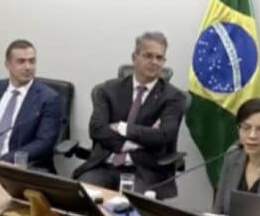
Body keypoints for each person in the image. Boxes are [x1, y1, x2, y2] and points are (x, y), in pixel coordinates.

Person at [72, 32, 185, 198]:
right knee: (79, 196)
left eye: (159, 58)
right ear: (134, 57)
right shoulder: (107, 90)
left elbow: (164, 135)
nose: (154, 62)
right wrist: (133, 143)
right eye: (148, 56)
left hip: (144, 171)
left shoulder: (173, 97)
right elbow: (97, 129)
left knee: (131, 206)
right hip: (104, 164)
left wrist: (122, 128)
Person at [0, 39, 63, 172]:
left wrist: (6, 160)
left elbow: (44, 142)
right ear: (8, 65)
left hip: (21, 166)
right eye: (21, 61)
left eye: (32, 61)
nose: (28, 67)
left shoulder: (49, 98)